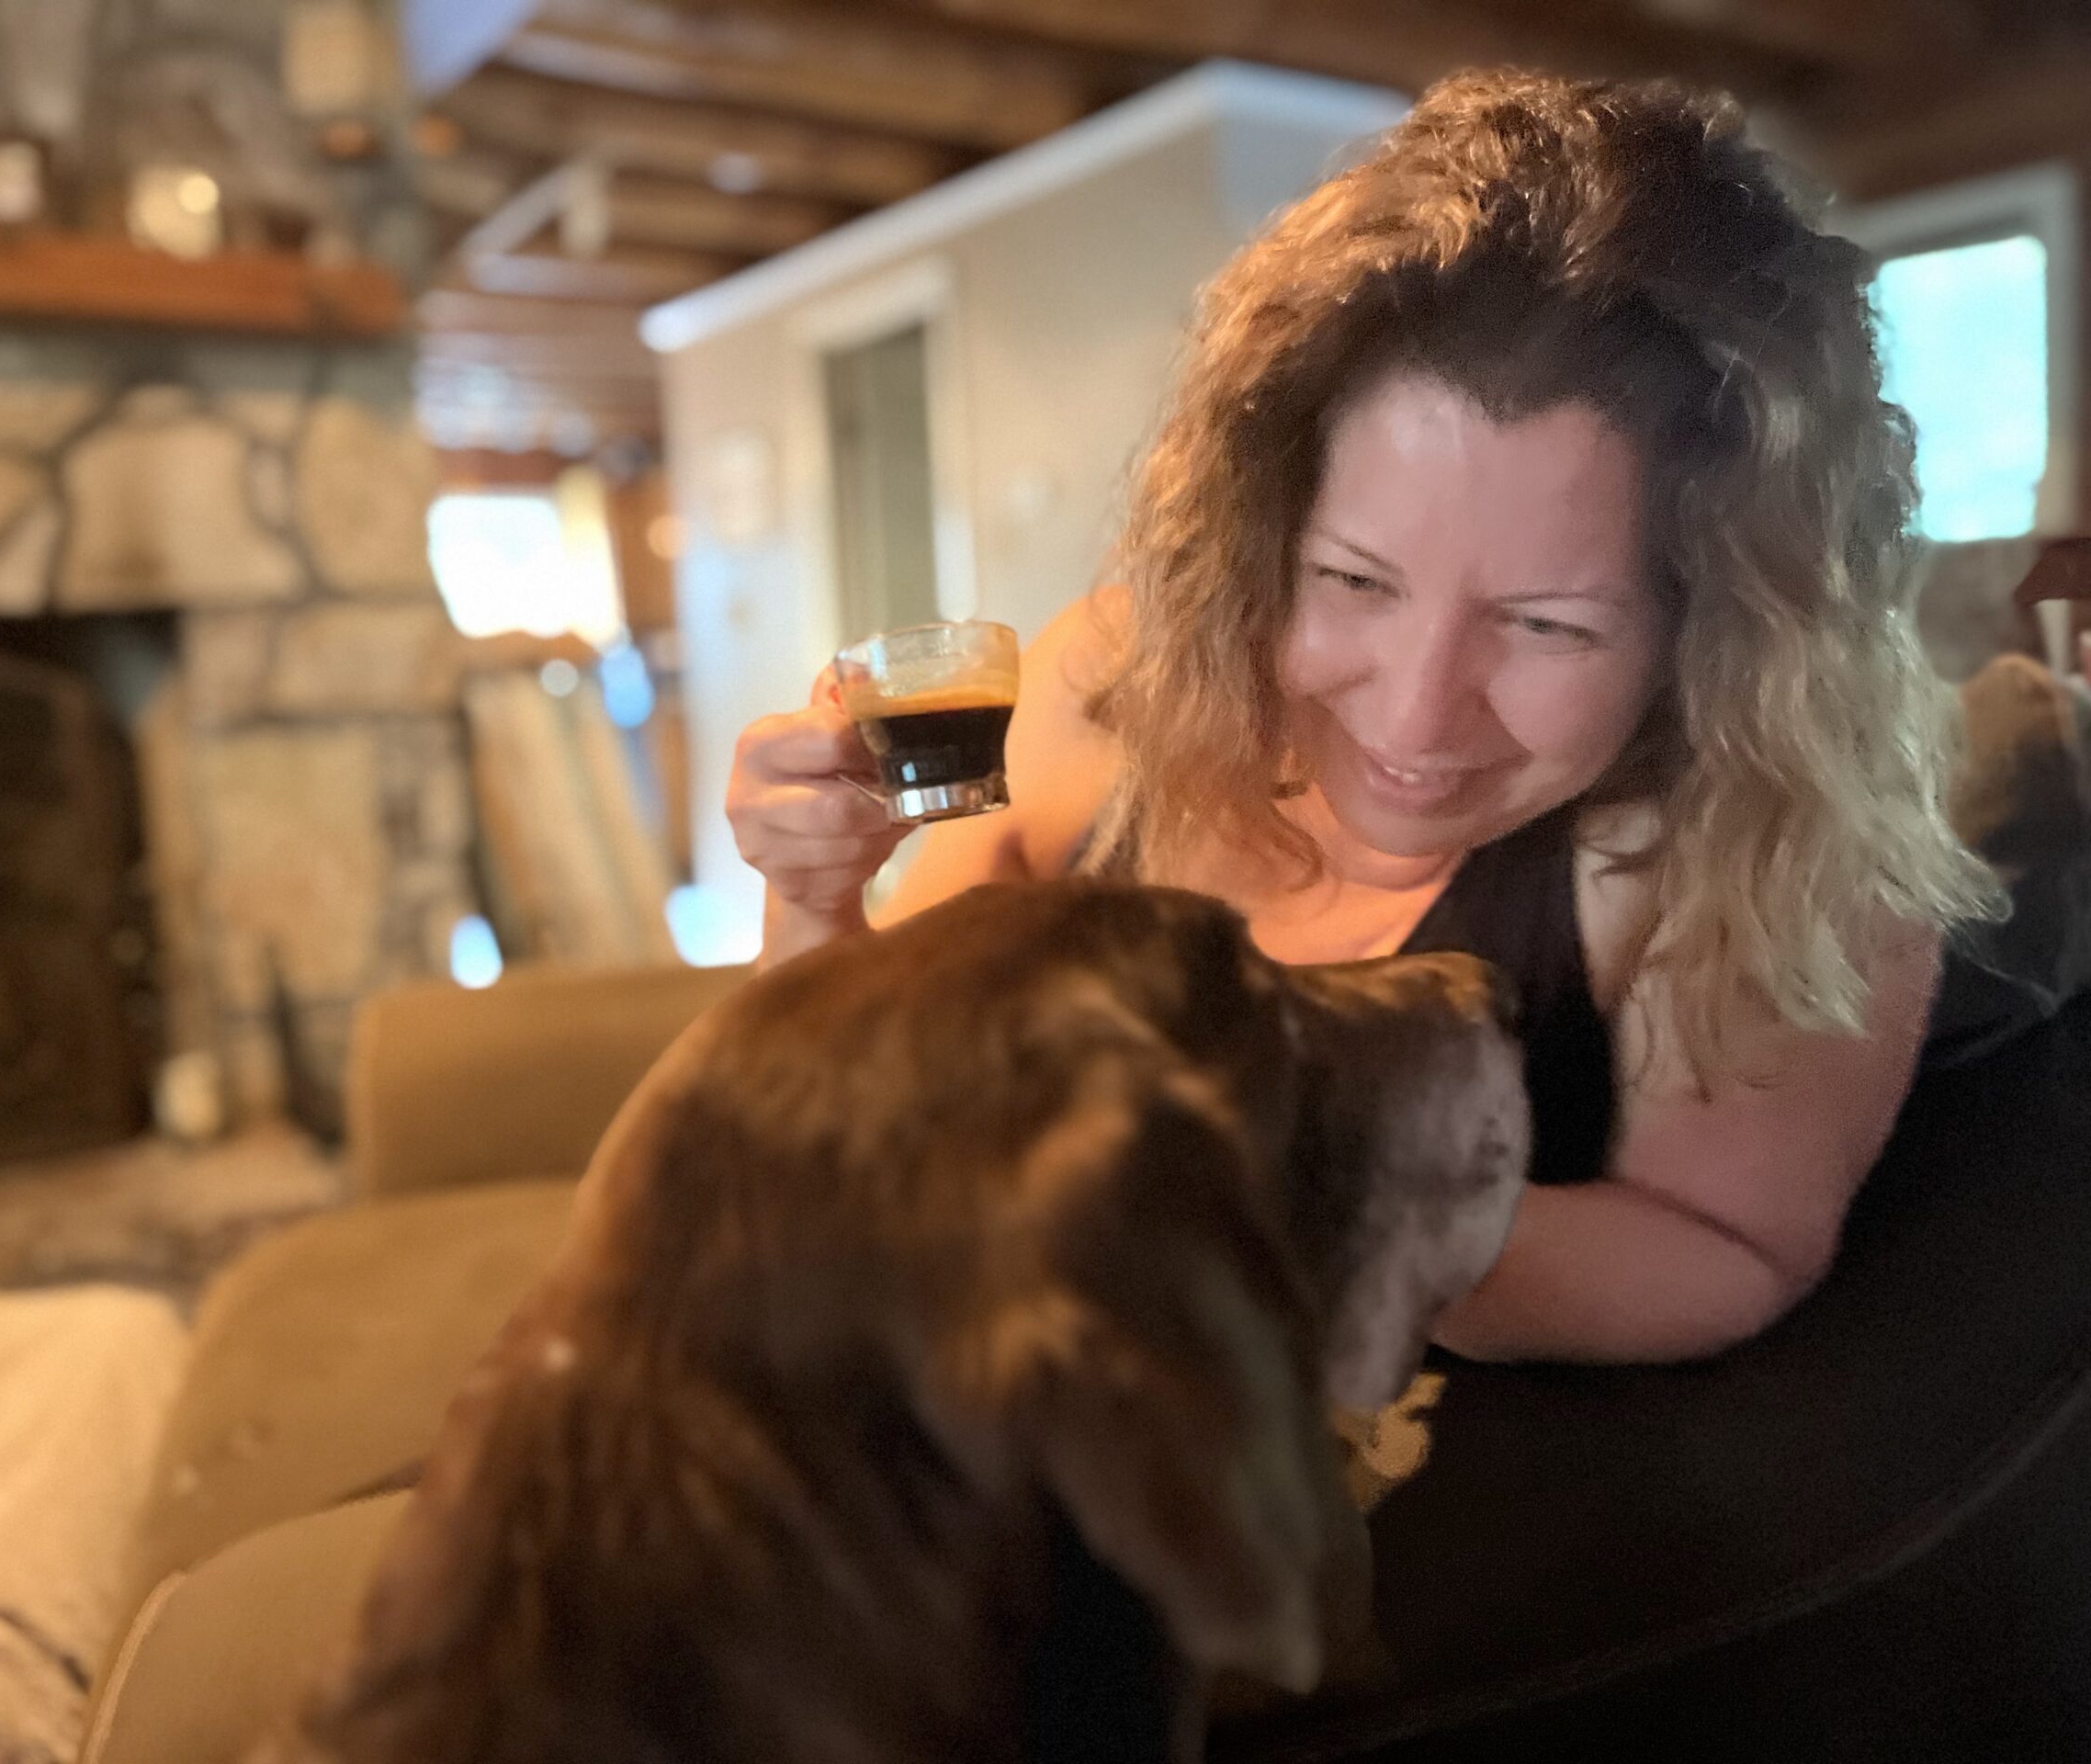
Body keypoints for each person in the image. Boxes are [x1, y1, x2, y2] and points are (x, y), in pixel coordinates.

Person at [725, 70, 2003, 1369]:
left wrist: (1271, 1227)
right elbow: (852, 1106)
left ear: (1714, 629)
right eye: (1350, 581)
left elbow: (1728, 1246)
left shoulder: (1756, 831)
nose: (1415, 711)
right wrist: (815, 900)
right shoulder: (1106, 682)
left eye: (1548, 624)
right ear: (1255, 531)